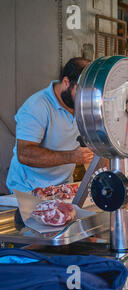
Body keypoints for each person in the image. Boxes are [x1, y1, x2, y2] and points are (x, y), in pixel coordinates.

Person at [6, 57, 94, 193]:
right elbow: (24, 154)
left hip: (62, 188)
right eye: (81, 91)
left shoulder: (83, 105)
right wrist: (72, 157)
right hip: (28, 189)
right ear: (66, 82)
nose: (86, 98)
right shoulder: (37, 105)